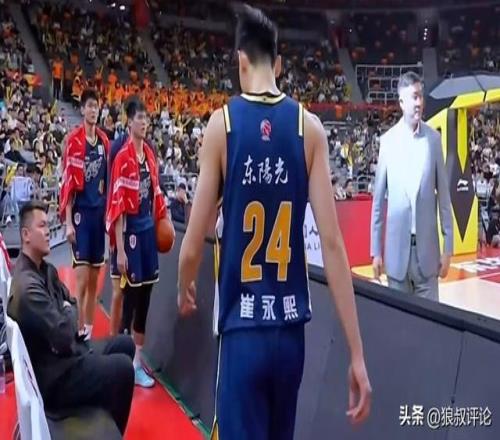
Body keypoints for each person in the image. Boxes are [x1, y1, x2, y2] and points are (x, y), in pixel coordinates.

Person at [177, 6, 371, 440]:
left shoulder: (222, 125)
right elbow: (333, 246)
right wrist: (357, 354)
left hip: (243, 328)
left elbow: (192, 245)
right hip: (289, 335)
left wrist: (184, 285)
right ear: (279, 64)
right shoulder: (310, 128)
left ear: (240, 61)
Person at [7, 201, 134, 435]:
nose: (48, 231)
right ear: (25, 235)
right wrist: (67, 310)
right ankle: (109, 432)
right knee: (123, 369)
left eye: (48, 225)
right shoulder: (27, 289)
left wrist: (67, 310)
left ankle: (101, 419)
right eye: (42, 226)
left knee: (125, 344)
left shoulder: (46, 270)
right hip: (56, 380)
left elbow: (72, 303)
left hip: (67, 356)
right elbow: (64, 335)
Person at [370, 71, 453, 301]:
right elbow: (378, 203)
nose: (418, 102)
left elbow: (444, 198)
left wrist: (448, 248)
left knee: (429, 321)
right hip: (396, 259)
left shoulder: (433, 140)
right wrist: (376, 251)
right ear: (401, 102)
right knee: (398, 323)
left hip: (428, 257)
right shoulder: (387, 142)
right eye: (414, 97)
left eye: (420, 96)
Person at [106, 98, 170, 387]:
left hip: (148, 235)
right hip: (130, 235)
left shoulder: (151, 156)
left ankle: (135, 363)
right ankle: (120, 362)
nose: (144, 122)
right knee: (129, 301)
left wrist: (163, 222)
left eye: (146, 117)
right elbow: (118, 208)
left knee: (145, 299)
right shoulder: (122, 158)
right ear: (129, 122)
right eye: (139, 118)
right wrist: (120, 250)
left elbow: (156, 197)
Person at [59, 89, 110, 340]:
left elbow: (108, 181)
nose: (93, 110)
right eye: (89, 106)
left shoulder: (104, 142)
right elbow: (68, 184)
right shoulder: (74, 141)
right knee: (80, 280)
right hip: (80, 215)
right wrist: (68, 222)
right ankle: (76, 331)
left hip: (98, 216)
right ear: (82, 109)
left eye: (96, 106)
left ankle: (88, 330)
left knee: (93, 279)